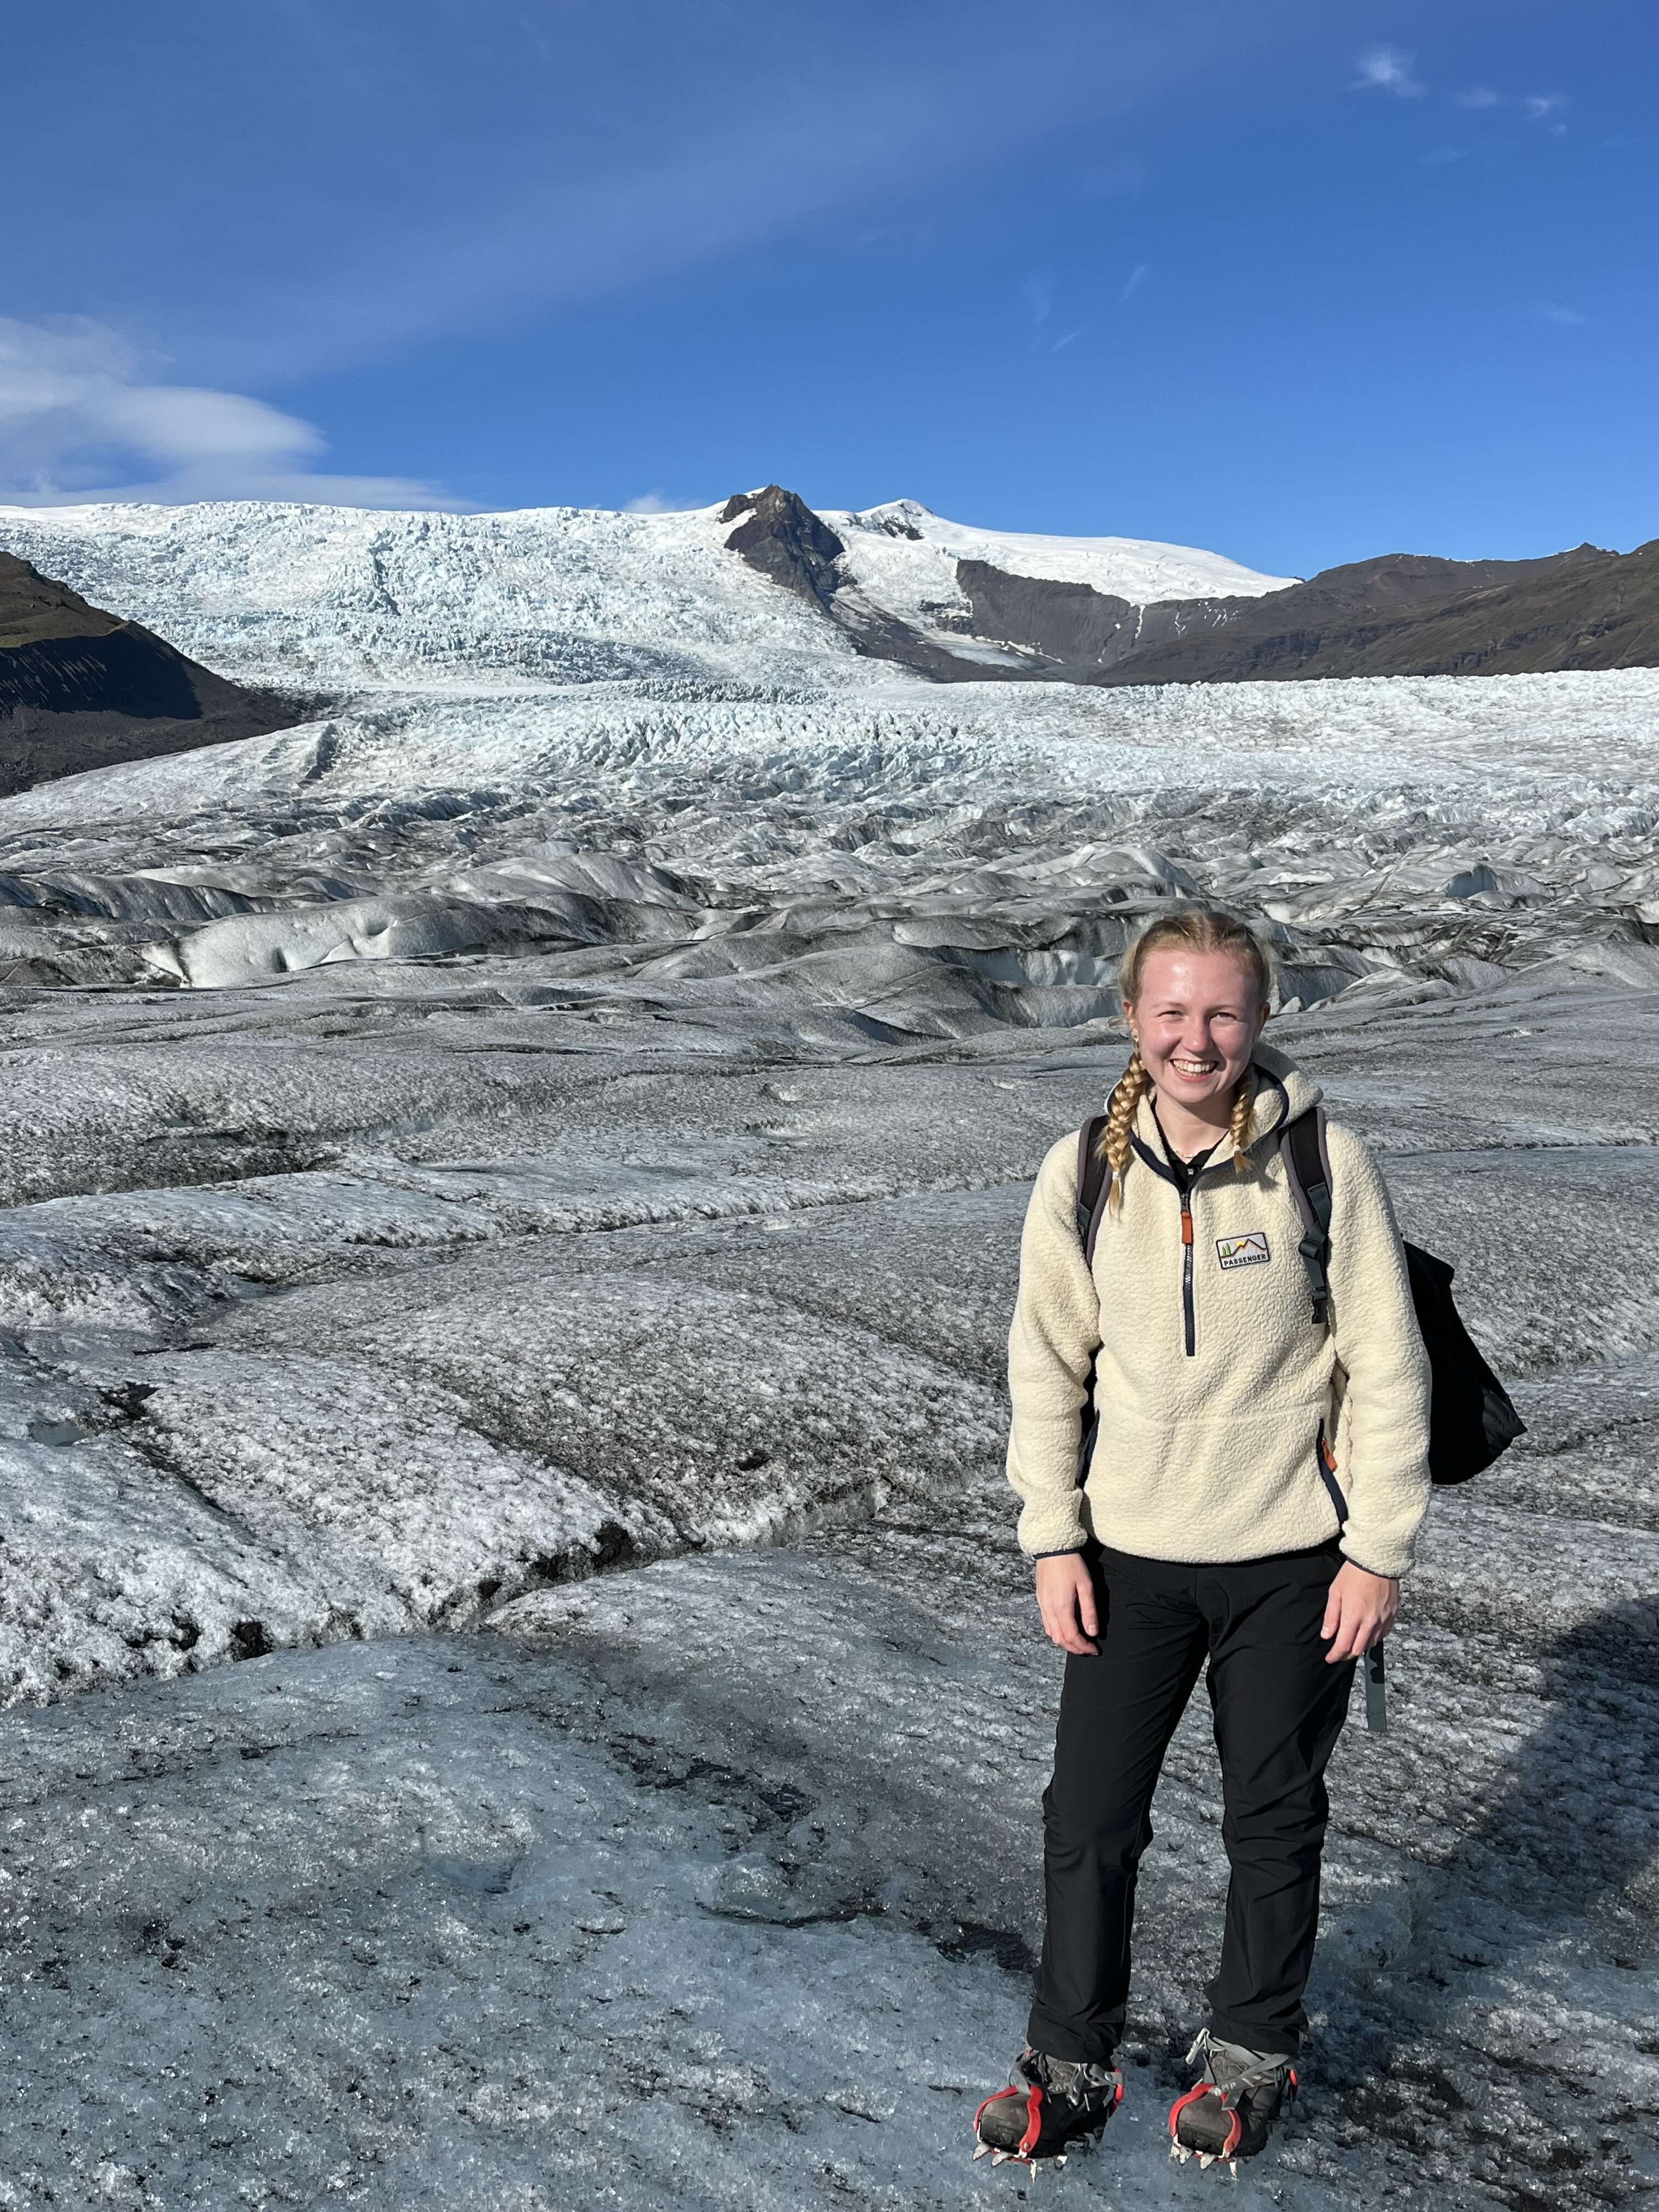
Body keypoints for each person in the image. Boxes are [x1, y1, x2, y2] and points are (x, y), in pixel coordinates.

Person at [973, 906, 1431, 2174]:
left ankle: (1250, 2051)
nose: (1198, 1038)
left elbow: (1387, 1368)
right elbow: (1045, 1368)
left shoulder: (1327, 1158)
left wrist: (1378, 1548)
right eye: (1171, 1012)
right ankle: (1069, 2061)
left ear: (1263, 1017)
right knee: (1090, 1817)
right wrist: (1052, 1535)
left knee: (1272, 1819)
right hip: (1129, 1559)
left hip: (1294, 1558)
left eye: (1222, 1012)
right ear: (1131, 1019)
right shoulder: (1081, 1174)